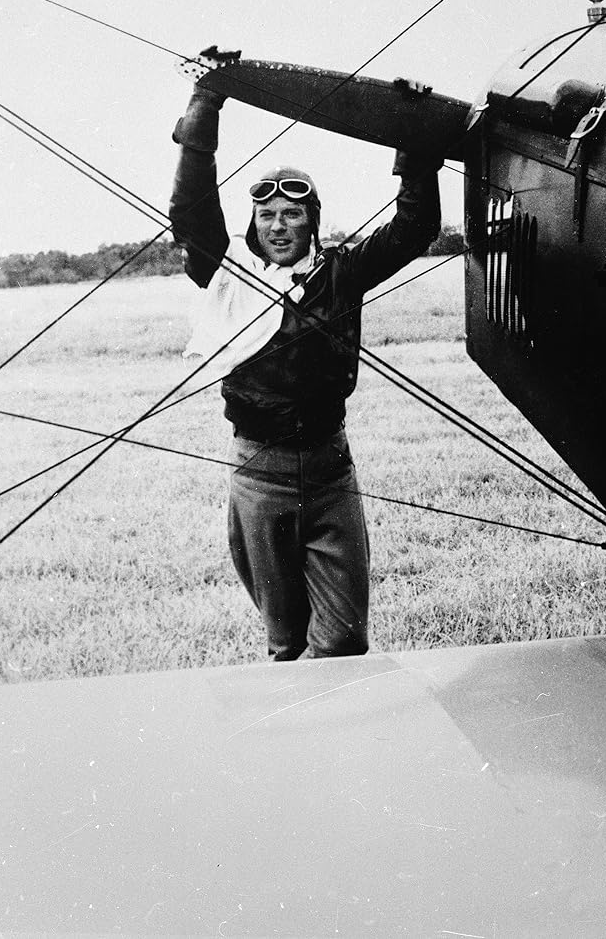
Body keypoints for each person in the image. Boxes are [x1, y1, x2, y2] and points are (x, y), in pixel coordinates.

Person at [169, 63, 441, 661]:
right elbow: (190, 213)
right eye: (266, 216)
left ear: (311, 220)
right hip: (259, 476)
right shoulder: (227, 275)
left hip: (329, 473)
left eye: (292, 213)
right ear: (253, 226)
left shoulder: (341, 272)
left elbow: (415, 226)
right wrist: (206, 105)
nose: (278, 224)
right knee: (286, 643)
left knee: (343, 639)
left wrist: (413, 131)